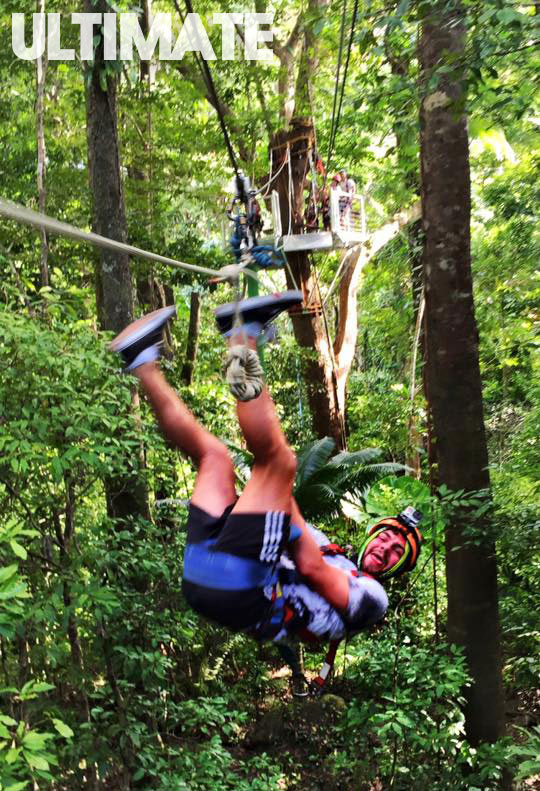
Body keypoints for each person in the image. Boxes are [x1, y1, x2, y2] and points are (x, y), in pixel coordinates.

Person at [109, 294, 422, 672]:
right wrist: (270, 500)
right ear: (373, 533)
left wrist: (275, 491)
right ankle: (142, 360)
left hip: (241, 592)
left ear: (397, 568)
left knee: (277, 461)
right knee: (215, 457)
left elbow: (309, 567)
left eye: (394, 554)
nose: (385, 551)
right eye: (386, 540)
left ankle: (242, 336)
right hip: (210, 576)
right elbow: (287, 532)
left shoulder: (373, 598)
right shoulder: (336, 551)